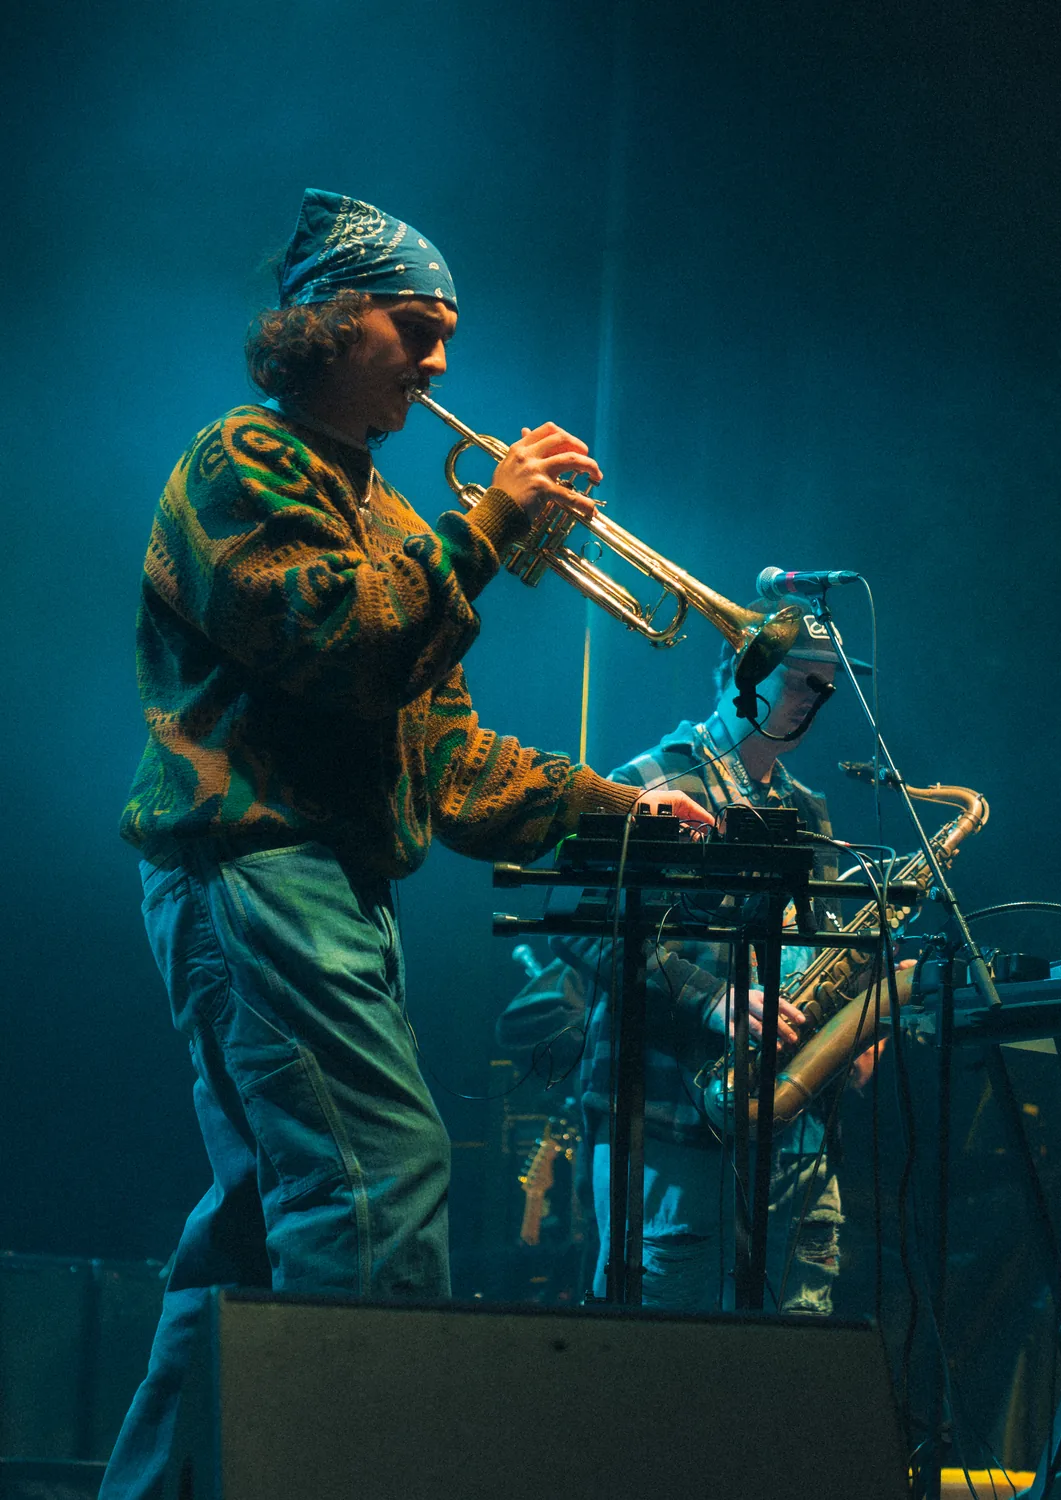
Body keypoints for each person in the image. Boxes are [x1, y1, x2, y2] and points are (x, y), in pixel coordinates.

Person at [102, 188, 711, 1499]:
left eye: (447, 333)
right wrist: (486, 530)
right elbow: (337, 638)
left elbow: (446, 765)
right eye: (413, 325)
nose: (441, 361)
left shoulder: (391, 518)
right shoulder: (242, 461)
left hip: (331, 888)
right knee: (380, 1183)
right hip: (254, 870)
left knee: (263, 1231)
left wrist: (620, 812)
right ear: (326, 321)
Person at [538, 603, 879, 1315]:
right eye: (797, 680)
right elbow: (572, 919)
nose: (811, 702)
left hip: (791, 1133)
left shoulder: (809, 811)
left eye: (825, 688)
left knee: (793, 1369)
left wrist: (853, 1029)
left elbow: (819, 941)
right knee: (668, 1368)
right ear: (737, 673)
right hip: (667, 1122)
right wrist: (711, 998)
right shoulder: (648, 780)